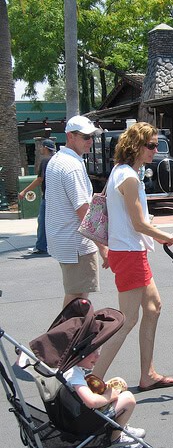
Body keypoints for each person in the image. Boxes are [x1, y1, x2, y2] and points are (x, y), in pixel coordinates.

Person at [93, 122, 173, 391]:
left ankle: (147, 374)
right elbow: (138, 223)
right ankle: (92, 381)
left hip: (128, 250)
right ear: (135, 146)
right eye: (150, 145)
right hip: (128, 252)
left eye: (155, 145)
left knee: (153, 307)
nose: (154, 150)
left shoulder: (122, 172)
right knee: (126, 320)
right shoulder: (127, 176)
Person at [45, 115, 109, 308]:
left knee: (75, 297)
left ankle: (68, 336)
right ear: (70, 136)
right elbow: (83, 212)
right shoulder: (72, 166)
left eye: (92, 137)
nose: (90, 141)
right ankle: (67, 337)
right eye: (85, 137)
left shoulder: (57, 160)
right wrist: (103, 247)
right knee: (78, 300)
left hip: (64, 239)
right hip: (77, 244)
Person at [63, 347, 145, 448]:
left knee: (119, 382)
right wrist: (108, 396)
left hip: (72, 412)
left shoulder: (65, 367)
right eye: (92, 352)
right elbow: (92, 402)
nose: (98, 356)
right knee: (128, 399)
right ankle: (115, 440)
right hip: (83, 420)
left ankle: (120, 425)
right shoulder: (73, 374)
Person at [18, 139, 56, 254]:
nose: (40, 149)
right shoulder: (56, 159)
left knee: (42, 221)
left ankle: (41, 246)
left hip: (47, 197)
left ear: (45, 148)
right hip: (56, 196)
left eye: (41, 147)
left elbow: (40, 179)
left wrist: (24, 191)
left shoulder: (45, 161)